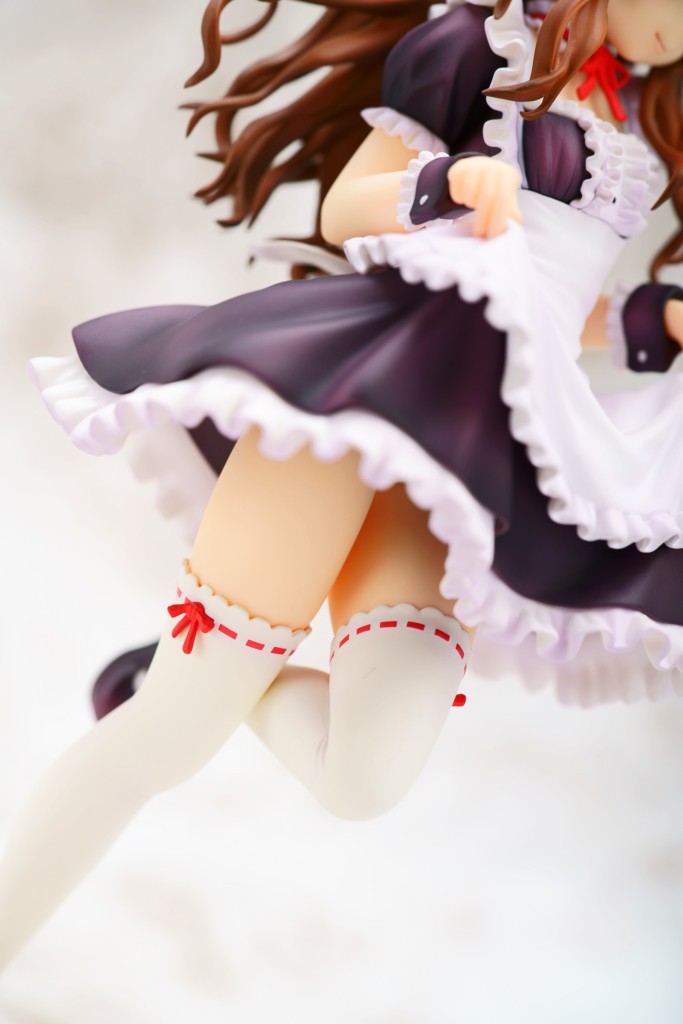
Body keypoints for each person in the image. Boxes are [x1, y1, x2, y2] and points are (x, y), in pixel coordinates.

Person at [2, 0, 683, 971]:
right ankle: (180, 698)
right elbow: (347, 206)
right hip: (358, 390)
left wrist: (650, 321)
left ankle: (184, 673)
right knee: (169, 743)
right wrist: (446, 183)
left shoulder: (638, 121)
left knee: (364, 776)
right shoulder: (476, 45)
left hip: (465, 453)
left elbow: (547, 299)